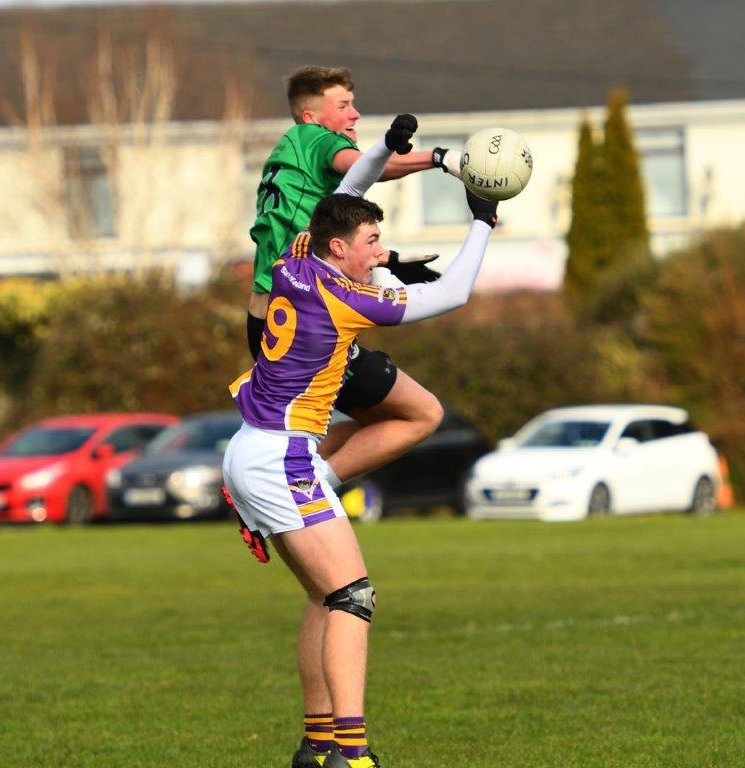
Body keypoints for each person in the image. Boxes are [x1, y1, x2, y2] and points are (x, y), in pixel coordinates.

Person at [224, 117, 499, 768]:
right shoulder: (348, 299)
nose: (381, 251)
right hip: (283, 455)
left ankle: (317, 748)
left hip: (255, 448)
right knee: (353, 596)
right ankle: (355, 754)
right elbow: (454, 291)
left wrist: (382, 149)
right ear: (341, 248)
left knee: (325, 597)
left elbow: (340, 198)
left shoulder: (298, 254)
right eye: (373, 241)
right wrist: (482, 219)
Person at [246, 66, 465, 492]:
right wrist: (441, 158)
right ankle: (305, 485)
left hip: (270, 322)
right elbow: (363, 169)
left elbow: (329, 241)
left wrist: (389, 258)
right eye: (343, 105)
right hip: (302, 325)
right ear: (311, 116)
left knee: (375, 423)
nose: (355, 114)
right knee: (423, 415)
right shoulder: (314, 139)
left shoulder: (288, 155)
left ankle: (266, 471)